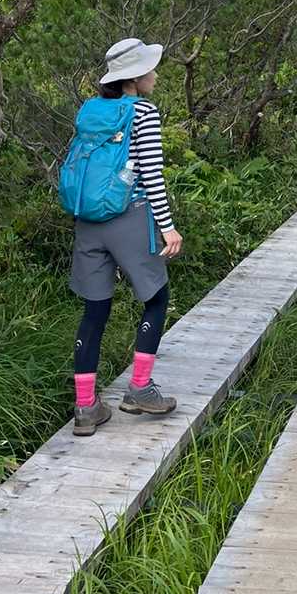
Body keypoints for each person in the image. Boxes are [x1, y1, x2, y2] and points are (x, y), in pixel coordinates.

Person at [70, 37, 184, 437]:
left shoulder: (92, 110)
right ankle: (139, 388)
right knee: (157, 298)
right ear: (134, 77)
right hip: (129, 217)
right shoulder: (143, 112)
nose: (156, 74)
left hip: (88, 220)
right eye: (150, 68)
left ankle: (86, 407)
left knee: (95, 310)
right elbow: (151, 174)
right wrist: (167, 226)